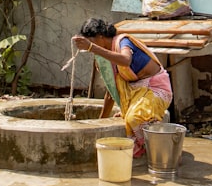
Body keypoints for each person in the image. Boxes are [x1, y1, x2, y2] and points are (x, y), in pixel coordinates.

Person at [72, 17, 173, 158]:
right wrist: (100, 122)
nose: (91, 49)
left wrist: (91, 47)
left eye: (93, 42)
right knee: (126, 117)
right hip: (139, 94)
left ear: (101, 38)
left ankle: (157, 149)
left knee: (134, 118)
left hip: (157, 90)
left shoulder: (123, 42)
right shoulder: (107, 57)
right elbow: (111, 92)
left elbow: (126, 60)